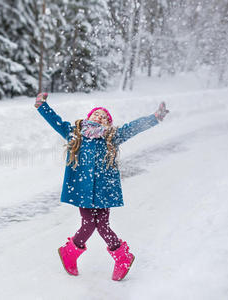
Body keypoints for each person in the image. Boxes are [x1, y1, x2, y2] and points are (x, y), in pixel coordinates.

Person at [34, 92, 169, 281]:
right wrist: (42, 106)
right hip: (84, 190)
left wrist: (155, 118)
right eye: (96, 114)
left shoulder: (111, 137)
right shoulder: (75, 133)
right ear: (89, 117)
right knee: (89, 224)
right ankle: (112, 256)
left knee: (102, 224)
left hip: (104, 190)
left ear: (107, 123)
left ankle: (107, 256)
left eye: (104, 116)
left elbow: (132, 128)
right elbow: (56, 121)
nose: (99, 117)